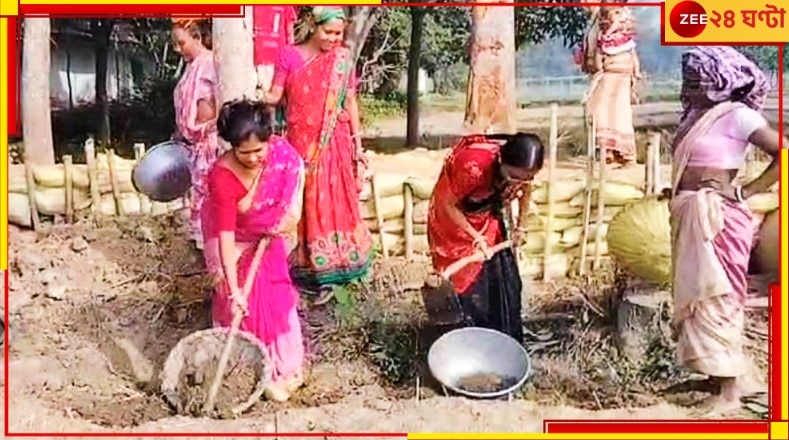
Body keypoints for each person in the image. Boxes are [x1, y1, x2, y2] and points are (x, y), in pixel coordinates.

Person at [670, 46, 780, 415]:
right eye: (688, 75)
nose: (690, 82)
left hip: (718, 216)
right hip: (690, 210)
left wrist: (745, 191)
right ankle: (714, 375)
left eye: (697, 76)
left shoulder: (738, 116)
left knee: (719, 297)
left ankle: (731, 389)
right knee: (697, 298)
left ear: (719, 78)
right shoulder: (695, 116)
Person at [262, 6, 372, 303]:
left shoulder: (342, 60)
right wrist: (258, 100)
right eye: (328, 32)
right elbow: (275, 95)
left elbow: (349, 101)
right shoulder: (289, 55)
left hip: (334, 140)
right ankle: (309, 269)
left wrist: (358, 145)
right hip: (300, 142)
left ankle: (339, 269)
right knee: (305, 201)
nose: (334, 39)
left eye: (338, 33)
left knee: (334, 199)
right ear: (313, 25)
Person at [201, 100, 306, 402]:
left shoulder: (281, 156)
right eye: (243, 152)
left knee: (275, 297)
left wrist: (283, 219)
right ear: (231, 146)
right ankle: (244, 371)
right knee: (238, 303)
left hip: (265, 234)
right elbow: (225, 235)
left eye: (259, 150)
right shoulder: (222, 178)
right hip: (232, 240)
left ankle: (282, 370)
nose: (253, 159)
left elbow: (296, 181)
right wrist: (234, 291)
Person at [426, 133, 545, 343]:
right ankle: (468, 341)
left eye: (526, 177)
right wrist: (475, 237)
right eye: (513, 177)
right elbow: (447, 205)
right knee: (467, 285)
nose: (519, 182)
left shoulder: (522, 171)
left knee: (503, 280)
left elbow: (526, 188)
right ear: (500, 160)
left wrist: (520, 227)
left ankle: (501, 338)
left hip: (487, 214)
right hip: (454, 223)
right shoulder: (472, 166)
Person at [171, 17, 219, 250]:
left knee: (210, 199)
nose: (178, 49)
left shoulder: (209, 63)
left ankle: (212, 251)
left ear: (197, 37)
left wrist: (208, 126)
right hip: (195, 144)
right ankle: (204, 251)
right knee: (199, 199)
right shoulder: (192, 67)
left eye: (182, 43)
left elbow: (215, 103)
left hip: (209, 142)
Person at [583, 6, 642, 167]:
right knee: (606, 110)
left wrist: (599, 68)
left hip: (615, 71)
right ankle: (610, 150)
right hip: (611, 71)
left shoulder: (617, 20)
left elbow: (601, 52)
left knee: (607, 110)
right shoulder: (599, 21)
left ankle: (619, 152)